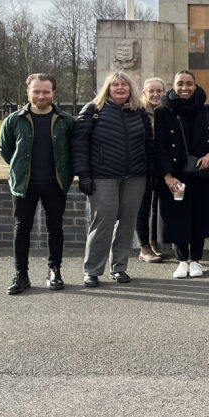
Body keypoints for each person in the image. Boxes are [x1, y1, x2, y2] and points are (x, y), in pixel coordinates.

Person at [73, 71, 153, 287]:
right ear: (107, 88)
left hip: (135, 176)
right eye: (115, 84)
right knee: (103, 223)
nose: (119, 88)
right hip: (103, 176)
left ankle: (119, 267)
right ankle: (92, 270)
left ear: (130, 89)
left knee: (127, 224)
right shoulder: (93, 110)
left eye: (124, 85)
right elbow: (79, 145)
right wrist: (83, 175)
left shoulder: (139, 112)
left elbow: (149, 144)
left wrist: (150, 173)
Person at [0, 73, 75, 295]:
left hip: (55, 183)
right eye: (37, 91)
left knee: (55, 228)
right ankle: (21, 275)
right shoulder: (14, 120)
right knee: (21, 229)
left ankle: (54, 270)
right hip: (25, 185)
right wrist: (20, 168)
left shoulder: (66, 121)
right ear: (28, 92)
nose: (41, 95)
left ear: (53, 93)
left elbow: (71, 151)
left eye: (46, 91)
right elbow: (6, 150)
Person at [155, 70, 209, 280]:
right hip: (176, 174)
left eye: (189, 84)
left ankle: (195, 260)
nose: (185, 88)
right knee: (178, 217)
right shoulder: (163, 111)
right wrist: (167, 176)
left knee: (199, 217)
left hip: (201, 172)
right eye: (180, 84)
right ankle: (181, 261)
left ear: (195, 86)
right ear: (173, 86)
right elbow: (159, 146)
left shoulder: (206, 110)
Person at [137, 77, 168, 263]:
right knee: (143, 207)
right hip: (144, 166)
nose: (156, 94)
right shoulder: (138, 112)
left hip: (163, 166)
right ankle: (144, 247)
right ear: (144, 93)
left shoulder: (167, 111)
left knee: (158, 206)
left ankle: (154, 241)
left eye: (159, 90)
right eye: (152, 91)